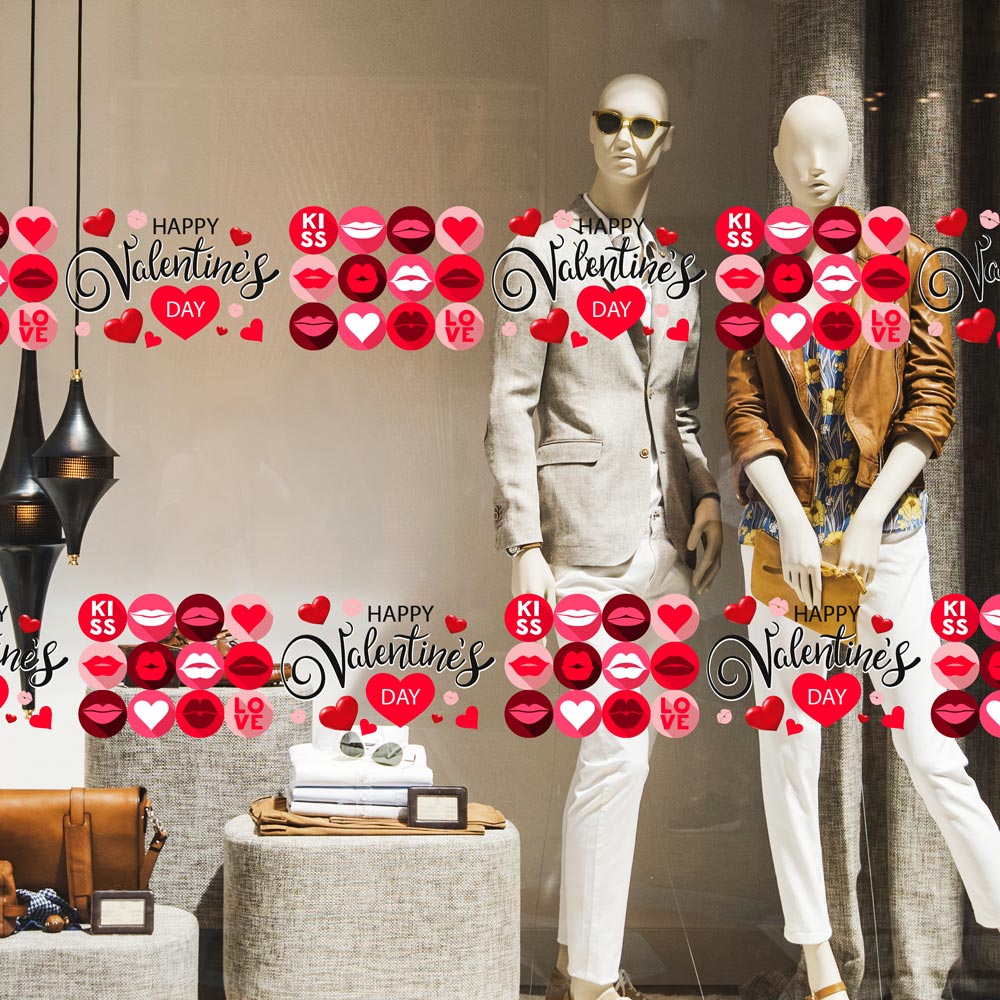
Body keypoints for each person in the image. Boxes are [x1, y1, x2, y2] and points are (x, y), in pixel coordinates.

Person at [724, 94, 1000, 1000]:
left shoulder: (907, 262)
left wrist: (874, 514)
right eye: (796, 147)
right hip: (787, 547)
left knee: (929, 745)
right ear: (775, 156)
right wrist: (795, 521)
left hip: (890, 539)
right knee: (790, 749)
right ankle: (818, 964)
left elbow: (932, 398)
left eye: (830, 145)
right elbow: (745, 412)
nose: (814, 163)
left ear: (853, 153)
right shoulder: (753, 280)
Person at [486, 73, 722, 1000]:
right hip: (578, 540)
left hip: (663, 545)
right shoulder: (538, 253)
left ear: (666, 140)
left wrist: (706, 499)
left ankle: (572, 965)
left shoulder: (677, 269)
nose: (625, 137)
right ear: (590, 132)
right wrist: (524, 547)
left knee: (627, 756)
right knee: (616, 748)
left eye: (643, 125)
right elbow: (510, 404)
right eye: (609, 121)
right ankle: (591, 981)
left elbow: (681, 410)